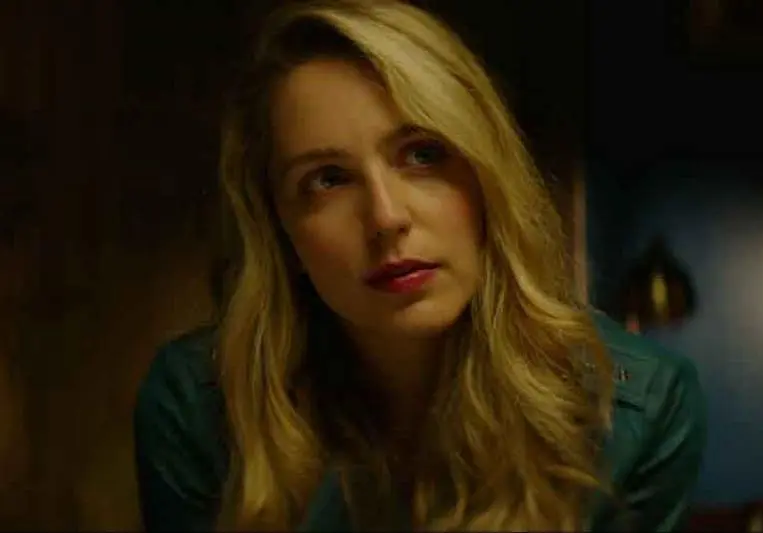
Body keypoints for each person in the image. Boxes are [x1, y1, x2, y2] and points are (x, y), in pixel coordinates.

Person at [133, 0, 707, 530]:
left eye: (423, 154)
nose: (386, 217)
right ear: (280, 232)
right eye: (328, 179)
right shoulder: (199, 407)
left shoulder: (638, 412)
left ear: (488, 180)